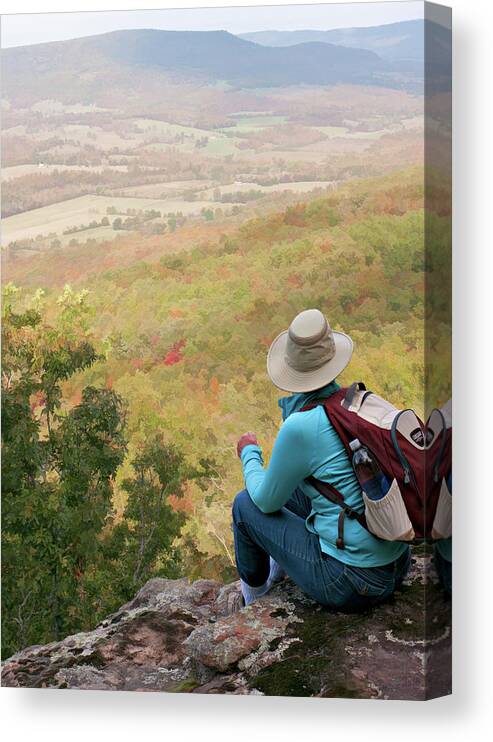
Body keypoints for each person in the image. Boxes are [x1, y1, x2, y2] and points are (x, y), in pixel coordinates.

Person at [232, 308, 411, 611]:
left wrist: (249, 453)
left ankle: (255, 602)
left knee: (244, 505)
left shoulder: (301, 426)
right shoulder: (357, 401)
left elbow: (263, 502)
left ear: (291, 369)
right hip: (397, 561)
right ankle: (279, 573)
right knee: (293, 488)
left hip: (352, 581)